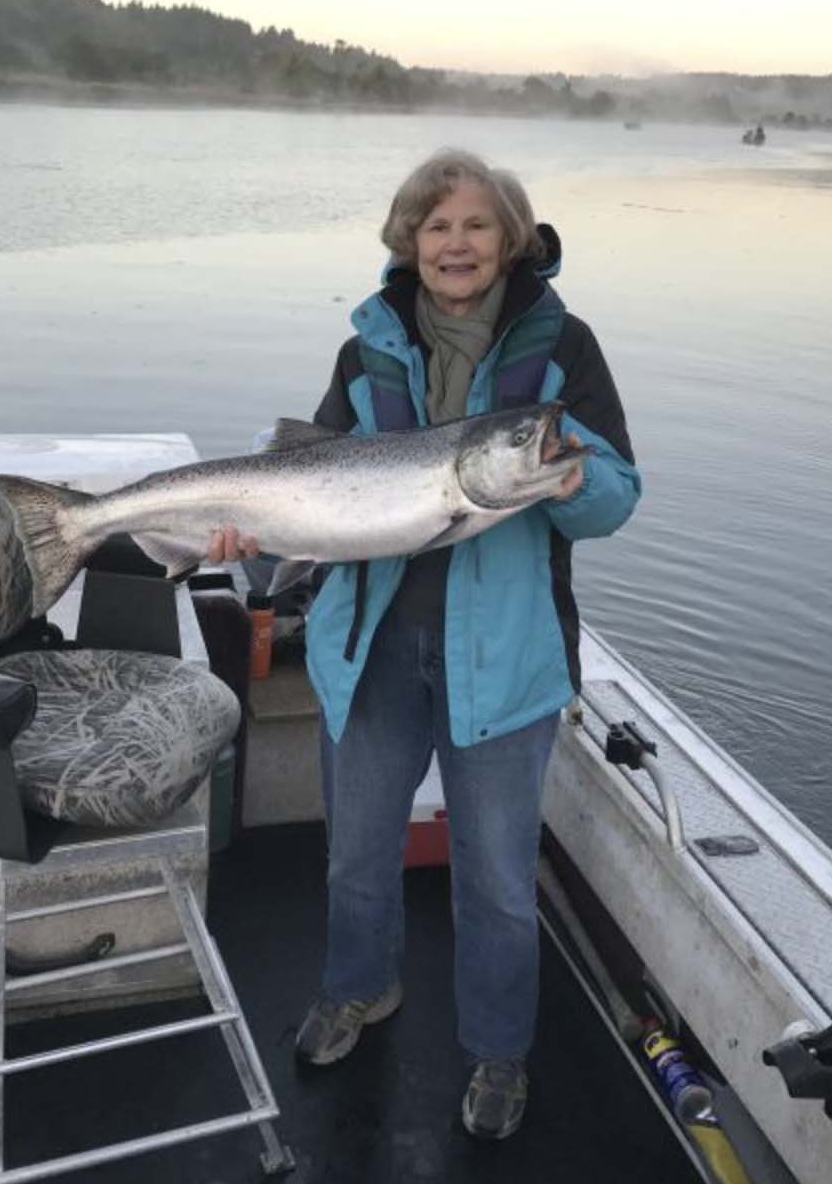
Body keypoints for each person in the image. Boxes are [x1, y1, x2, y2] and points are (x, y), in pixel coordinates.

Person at [207, 149, 640, 1140]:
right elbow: (303, 478)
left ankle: (497, 1049)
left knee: (494, 880)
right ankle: (358, 988)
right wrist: (248, 531)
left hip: (505, 668)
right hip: (372, 660)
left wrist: (575, 480)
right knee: (356, 855)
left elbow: (616, 499)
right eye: (436, 226)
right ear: (409, 241)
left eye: (477, 226)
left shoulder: (562, 348)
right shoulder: (366, 348)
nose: (455, 244)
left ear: (510, 240)